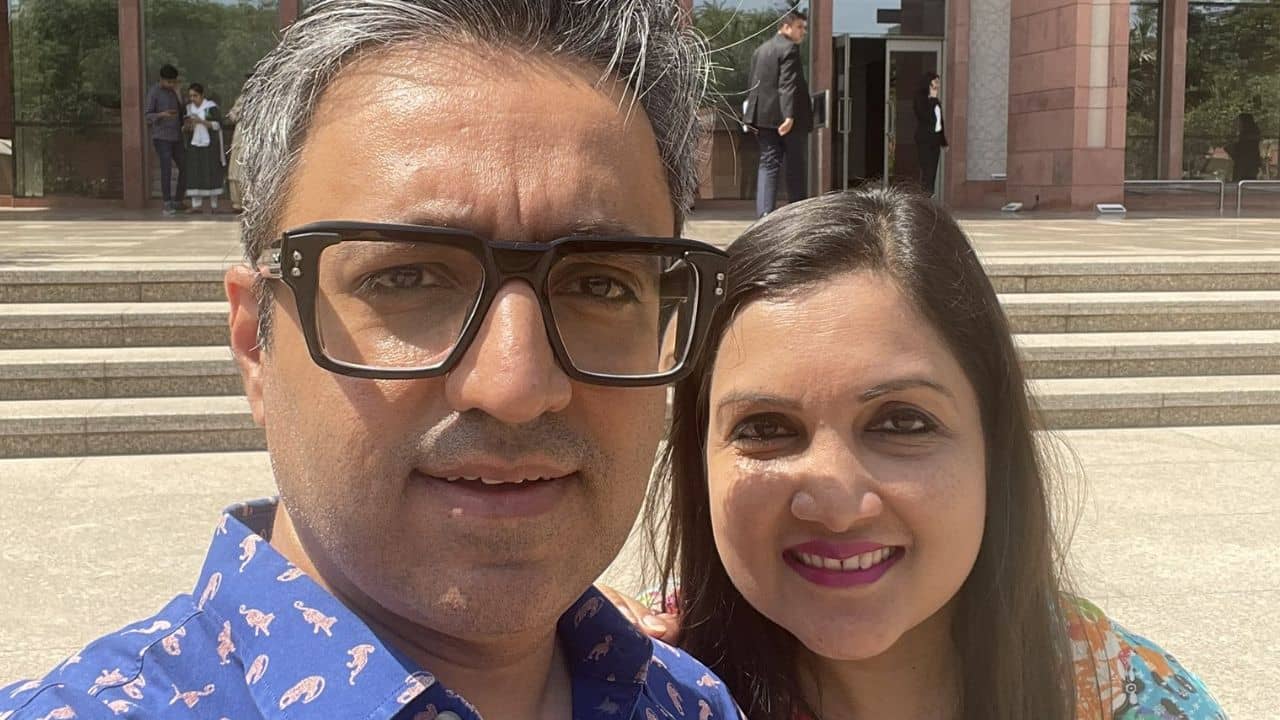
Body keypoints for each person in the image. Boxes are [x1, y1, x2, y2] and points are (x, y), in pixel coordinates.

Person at [0, 2, 741, 719]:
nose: (515, 385)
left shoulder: (693, 702)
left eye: (600, 286)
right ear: (256, 343)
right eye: (406, 278)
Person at [609, 188, 1226, 720]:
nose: (836, 505)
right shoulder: (628, 682)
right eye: (766, 428)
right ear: (700, 461)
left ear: (993, 447)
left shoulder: (1134, 701)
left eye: (902, 422)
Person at [744, 9, 811, 218]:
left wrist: (750, 116)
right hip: (787, 121)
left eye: (804, 28)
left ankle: (764, 215)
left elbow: (752, 84)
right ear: (785, 27)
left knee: (768, 164)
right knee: (795, 167)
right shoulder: (789, 49)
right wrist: (789, 115)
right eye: (799, 27)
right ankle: (798, 214)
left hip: (763, 119)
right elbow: (787, 84)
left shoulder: (760, 50)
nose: (803, 32)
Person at [143, 63, 185, 215]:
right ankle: (167, 203)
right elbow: (147, 115)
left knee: (185, 166)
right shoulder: (154, 92)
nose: (171, 84)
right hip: (161, 137)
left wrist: (179, 94)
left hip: (177, 135)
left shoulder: (174, 91)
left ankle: (178, 200)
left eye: (174, 82)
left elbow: (183, 111)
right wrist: (161, 115)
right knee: (166, 168)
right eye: (169, 82)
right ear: (161, 79)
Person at [183, 82, 226, 214]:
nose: (192, 99)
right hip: (194, 144)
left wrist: (201, 121)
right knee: (195, 173)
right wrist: (188, 125)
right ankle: (196, 205)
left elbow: (217, 125)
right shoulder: (189, 108)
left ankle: (214, 205)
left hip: (209, 145)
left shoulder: (209, 108)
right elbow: (185, 127)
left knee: (211, 172)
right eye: (190, 96)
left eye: (195, 96)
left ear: (202, 95)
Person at [912, 72, 947, 197]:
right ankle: (924, 196)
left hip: (935, 140)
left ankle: (929, 195)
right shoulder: (920, 98)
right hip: (925, 139)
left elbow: (939, 121)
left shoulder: (935, 99)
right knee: (927, 170)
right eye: (936, 82)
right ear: (929, 82)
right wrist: (932, 99)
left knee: (932, 172)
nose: (938, 85)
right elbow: (926, 117)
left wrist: (943, 141)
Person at [1228, 112, 1262, 183]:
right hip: (1246, 168)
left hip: (1245, 169)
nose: (1238, 124)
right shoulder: (1247, 136)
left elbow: (1238, 152)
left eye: (1239, 122)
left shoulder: (1248, 137)